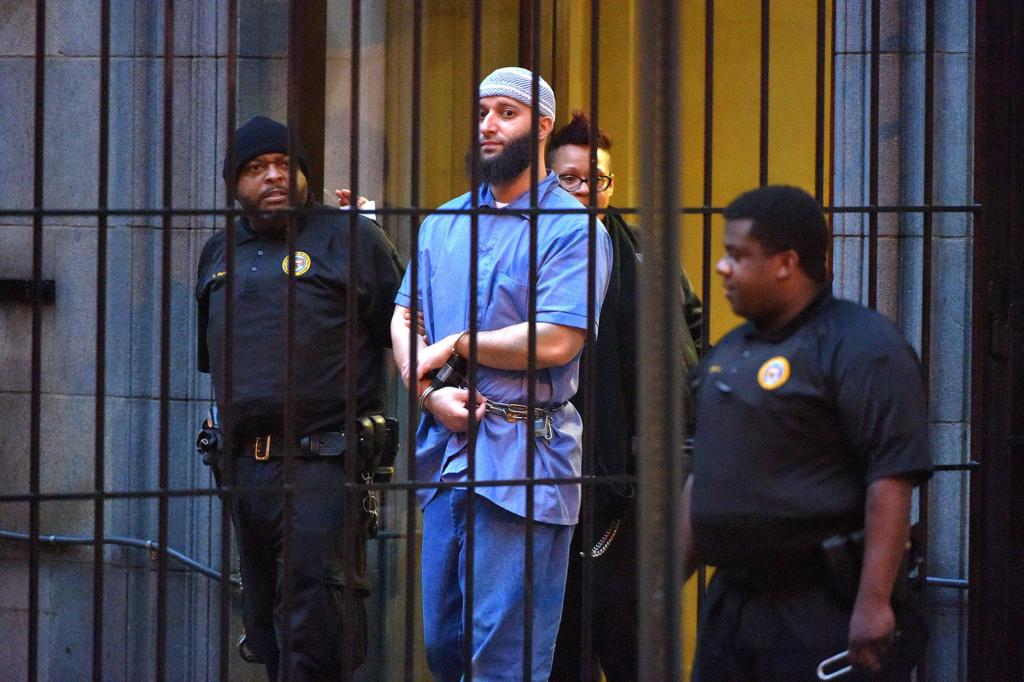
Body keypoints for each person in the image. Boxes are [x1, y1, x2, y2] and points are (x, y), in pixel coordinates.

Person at [391, 68, 612, 681]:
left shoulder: (574, 229)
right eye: (483, 110)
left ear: (541, 126)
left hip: (526, 460)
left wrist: (458, 344)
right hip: (448, 453)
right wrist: (428, 391)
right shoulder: (443, 221)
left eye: (506, 113)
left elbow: (557, 338)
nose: (488, 124)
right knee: (442, 643)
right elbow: (405, 314)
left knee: (504, 657)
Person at [682, 185, 932, 680]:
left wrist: (874, 602)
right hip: (732, 604)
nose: (721, 268)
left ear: (785, 262)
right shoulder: (732, 350)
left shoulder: (862, 346)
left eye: (737, 255)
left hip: (818, 607)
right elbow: (705, 475)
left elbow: (891, 479)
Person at [195, 115, 402, 681]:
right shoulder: (218, 252)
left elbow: (411, 334)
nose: (273, 176)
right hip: (244, 471)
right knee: (266, 632)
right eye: (256, 168)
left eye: (285, 164)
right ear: (233, 183)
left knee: (317, 634)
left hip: (324, 464)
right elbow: (216, 365)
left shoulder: (352, 238)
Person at [546, 111, 701, 681]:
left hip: (636, 491)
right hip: (544, 480)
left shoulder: (645, 257)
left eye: (599, 179)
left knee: (636, 648)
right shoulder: (527, 253)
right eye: (571, 178)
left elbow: (690, 336)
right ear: (546, 181)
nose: (588, 190)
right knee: (559, 654)